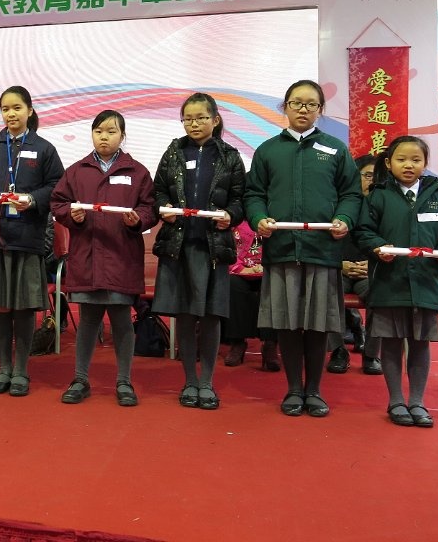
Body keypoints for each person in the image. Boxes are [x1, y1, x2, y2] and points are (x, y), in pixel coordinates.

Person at [245, 80, 361, 417]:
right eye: (296, 102)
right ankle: (294, 389)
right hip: (282, 249)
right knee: (287, 322)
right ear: (285, 106)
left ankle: (315, 391)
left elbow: (351, 194)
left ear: (320, 110)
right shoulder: (268, 150)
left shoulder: (336, 149)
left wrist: (344, 218)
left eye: (311, 104)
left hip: (321, 250)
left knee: (318, 323)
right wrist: (259, 218)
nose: (303, 109)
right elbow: (254, 194)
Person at [354, 136, 438, 428]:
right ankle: (396, 401)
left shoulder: (437, 196)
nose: (409, 165)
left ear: (425, 163)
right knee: (391, 343)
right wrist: (378, 247)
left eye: (416, 160)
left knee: (420, 343)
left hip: (425, 282)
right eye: (401, 159)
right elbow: (363, 231)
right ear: (389, 163)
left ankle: (417, 401)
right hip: (389, 281)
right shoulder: (378, 196)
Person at [50, 109, 157, 406]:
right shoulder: (77, 170)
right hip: (87, 256)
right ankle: (80, 379)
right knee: (87, 320)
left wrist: (138, 220)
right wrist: (71, 215)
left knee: (122, 319)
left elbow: (150, 207)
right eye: (98, 131)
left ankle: (124, 381)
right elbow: (58, 202)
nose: (104, 137)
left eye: (111, 131)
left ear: (123, 136)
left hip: (121, 257)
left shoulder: (137, 172)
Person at [0, 85, 64, 397]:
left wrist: (32, 200)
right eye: (5, 109)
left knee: (22, 308)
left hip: (26, 238)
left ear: (30, 111)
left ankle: (21, 370)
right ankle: (3, 368)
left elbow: (57, 187)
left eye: (17, 108)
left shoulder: (44, 149)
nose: (11, 114)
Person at [152, 93, 246, 410]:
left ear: (215, 120)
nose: (194, 124)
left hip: (213, 247)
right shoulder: (174, 152)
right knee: (185, 314)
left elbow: (239, 200)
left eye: (201, 118)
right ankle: (189, 381)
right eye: (188, 119)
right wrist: (163, 208)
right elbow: (158, 190)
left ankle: (206, 381)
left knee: (210, 316)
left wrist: (230, 215)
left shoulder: (230, 155)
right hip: (179, 245)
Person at [327, 154, 379, 374]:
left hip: (371, 270)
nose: (372, 181)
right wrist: (341, 264)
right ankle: (338, 350)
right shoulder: (338, 204)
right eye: (367, 175)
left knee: (382, 292)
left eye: (377, 176)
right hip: (340, 268)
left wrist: (373, 264)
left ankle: (372, 354)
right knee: (327, 290)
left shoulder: (384, 206)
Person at [222, 220, 280, 371]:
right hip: (240, 270)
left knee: (272, 286)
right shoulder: (235, 221)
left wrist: (267, 267)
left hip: (270, 269)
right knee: (233, 284)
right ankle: (237, 343)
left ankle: (270, 344)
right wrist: (240, 268)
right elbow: (227, 249)